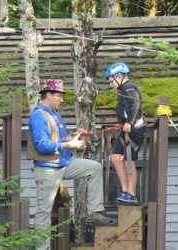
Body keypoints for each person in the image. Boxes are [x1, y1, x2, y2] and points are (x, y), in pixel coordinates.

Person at [28, 79, 112, 250]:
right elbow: (42, 145)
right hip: (47, 169)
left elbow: (59, 140)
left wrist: (75, 136)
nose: (61, 99)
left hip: (64, 163)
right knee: (44, 212)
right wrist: (69, 145)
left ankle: (94, 211)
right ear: (48, 95)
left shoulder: (55, 114)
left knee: (94, 167)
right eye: (58, 96)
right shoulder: (38, 116)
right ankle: (42, 248)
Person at [105, 62, 146, 203]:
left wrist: (129, 122)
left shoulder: (129, 87)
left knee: (129, 161)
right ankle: (125, 191)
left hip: (134, 130)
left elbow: (135, 104)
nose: (111, 84)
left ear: (119, 76)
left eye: (111, 81)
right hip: (126, 129)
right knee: (115, 157)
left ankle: (132, 194)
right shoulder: (123, 90)